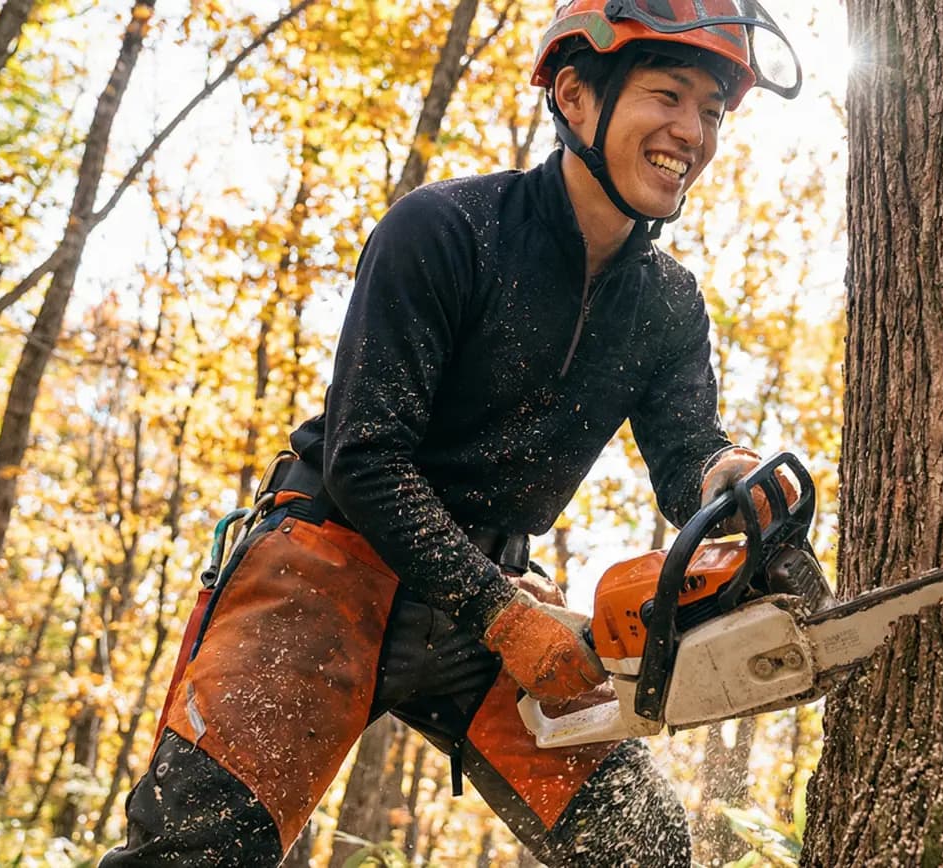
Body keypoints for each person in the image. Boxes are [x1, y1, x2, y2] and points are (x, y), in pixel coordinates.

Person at [101, 2, 804, 865]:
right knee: (194, 852)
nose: (691, 131)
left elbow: (685, 452)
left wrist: (726, 476)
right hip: (329, 567)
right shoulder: (447, 230)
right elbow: (367, 459)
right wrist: (500, 614)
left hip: (490, 598)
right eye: (668, 94)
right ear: (577, 96)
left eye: (712, 111)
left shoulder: (665, 304)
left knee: (641, 842)